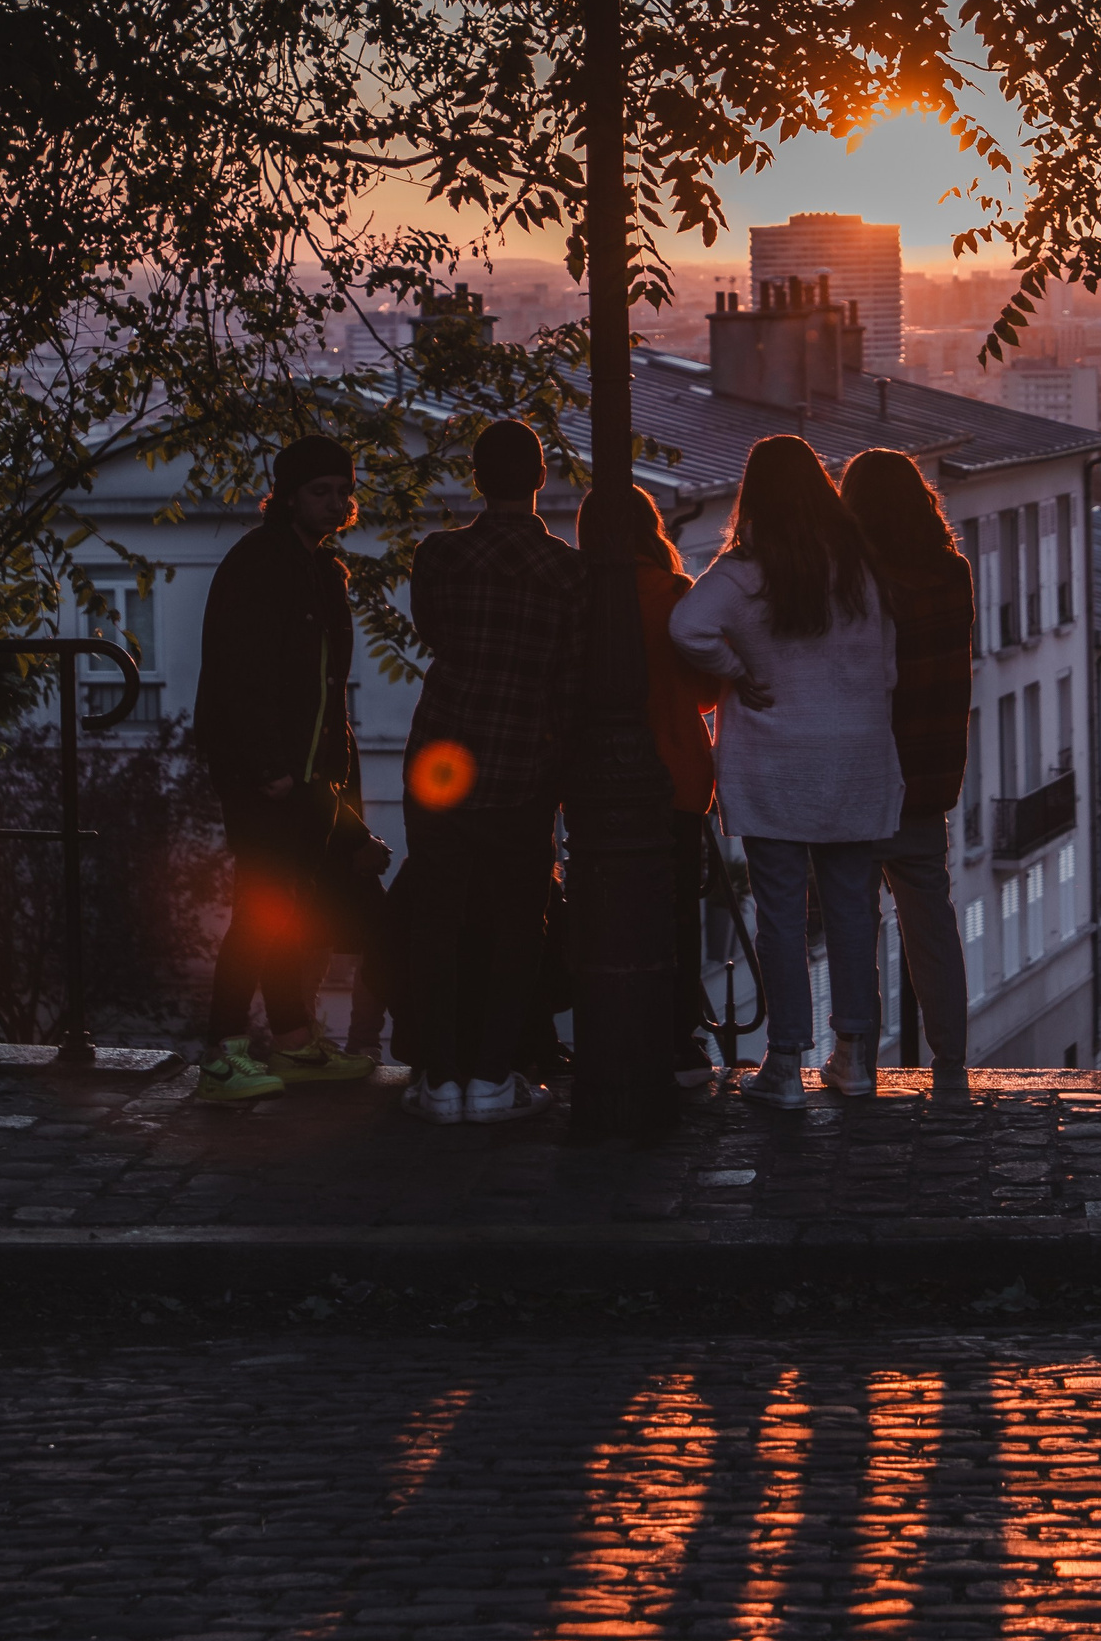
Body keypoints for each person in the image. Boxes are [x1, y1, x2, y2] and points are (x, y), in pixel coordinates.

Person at [668, 434, 899, 1107]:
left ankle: (786, 1061)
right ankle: (854, 1054)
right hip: (856, 758)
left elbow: (688, 628)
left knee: (780, 913)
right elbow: (886, 666)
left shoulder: (746, 570)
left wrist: (744, 671)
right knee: (854, 908)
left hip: (776, 762)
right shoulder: (860, 566)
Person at [396, 419, 589, 1124]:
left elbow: (433, 633)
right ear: (540, 479)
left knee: (436, 920)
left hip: (442, 757)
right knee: (518, 926)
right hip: (522, 768)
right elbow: (571, 685)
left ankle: (439, 1075)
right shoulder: (571, 574)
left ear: (476, 478)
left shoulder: (440, 556)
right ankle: (492, 1073)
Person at [189, 435, 383, 1102]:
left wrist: (331, 784)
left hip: (302, 777)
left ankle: (294, 1039)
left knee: (281, 910)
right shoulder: (260, 564)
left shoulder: (321, 572)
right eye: (320, 490)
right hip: (264, 775)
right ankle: (221, 1052)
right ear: (289, 495)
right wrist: (268, 765)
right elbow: (240, 674)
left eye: (341, 490)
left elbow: (329, 691)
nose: (336, 502)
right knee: (259, 911)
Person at [840, 449, 976, 1099]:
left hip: (862, 774)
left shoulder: (856, 585)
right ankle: (950, 1065)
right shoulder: (954, 575)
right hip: (926, 777)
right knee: (932, 921)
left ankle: (858, 1059)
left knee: (852, 919)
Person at [577, 484, 722, 1088]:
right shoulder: (675, 596)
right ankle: (676, 1039)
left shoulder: (580, 598)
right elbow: (708, 692)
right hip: (677, 777)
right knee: (677, 913)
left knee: (602, 909)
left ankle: (609, 1033)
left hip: (596, 779)